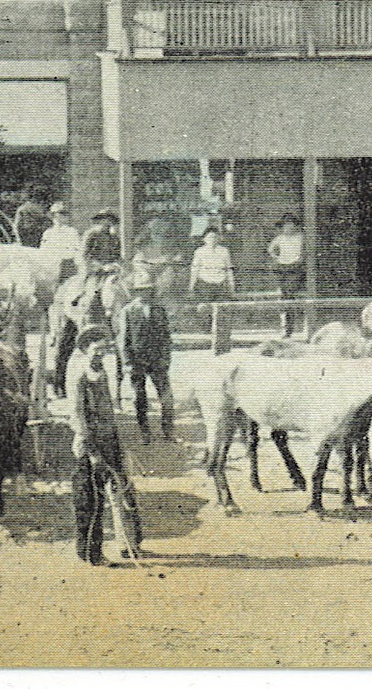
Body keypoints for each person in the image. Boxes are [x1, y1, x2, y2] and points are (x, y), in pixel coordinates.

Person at [66, 324, 143, 565]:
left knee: (124, 488)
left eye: (104, 351)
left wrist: (117, 441)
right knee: (92, 500)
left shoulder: (104, 373)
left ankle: (129, 544)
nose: (100, 355)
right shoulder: (79, 375)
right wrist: (93, 453)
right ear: (85, 349)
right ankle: (91, 553)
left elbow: (109, 410)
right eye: (96, 350)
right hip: (90, 444)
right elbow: (77, 415)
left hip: (110, 439)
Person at [117, 274, 176, 443]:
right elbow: (123, 339)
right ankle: (145, 432)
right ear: (135, 292)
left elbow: (166, 337)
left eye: (148, 290)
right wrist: (127, 362)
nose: (145, 294)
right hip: (137, 361)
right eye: (141, 291)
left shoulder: (159, 310)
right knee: (140, 398)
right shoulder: (128, 311)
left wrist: (166, 358)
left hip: (157, 361)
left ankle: (168, 431)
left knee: (166, 398)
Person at [267, 215, 306, 336]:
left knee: (290, 294)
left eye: (291, 224)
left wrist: (300, 259)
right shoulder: (280, 238)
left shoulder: (301, 237)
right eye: (285, 225)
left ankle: (291, 327)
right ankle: (285, 327)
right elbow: (271, 249)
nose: (288, 227)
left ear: (295, 226)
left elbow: (306, 250)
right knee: (283, 295)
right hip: (281, 267)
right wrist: (276, 257)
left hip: (295, 267)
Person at [188, 227, 236, 320]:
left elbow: (229, 268)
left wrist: (231, 283)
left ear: (218, 238)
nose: (212, 240)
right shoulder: (199, 251)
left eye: (215, 237)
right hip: (205, 282)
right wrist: (192, 285)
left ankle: (219, 328)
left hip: (220, 281)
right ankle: (206, 327)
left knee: (221, 307)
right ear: (204, 239)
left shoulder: (224, 251)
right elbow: (194, 269)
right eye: (209, 237)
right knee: (205, 307)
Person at [39, 202, 83, 286]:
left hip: (67, 266)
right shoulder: (48, 233)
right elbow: (43, 251)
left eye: (64, 214)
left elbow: (77, 251)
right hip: (50, 266)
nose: (60, 217)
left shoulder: (71, 231)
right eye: (58, 214)